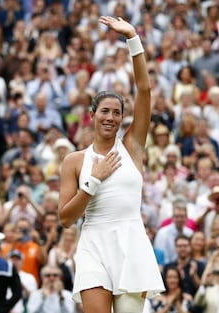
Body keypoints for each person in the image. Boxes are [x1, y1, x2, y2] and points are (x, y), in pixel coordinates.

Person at [58, 16, 165, 313]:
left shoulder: (132, 146)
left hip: (131, 243)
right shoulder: (74, 161)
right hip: (93, 243)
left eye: (117, 113)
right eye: (104, 111)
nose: (110, 117)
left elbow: (144, 90)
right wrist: (93, 181)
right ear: (92, 115)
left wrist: (133, 38)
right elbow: (66, 218)